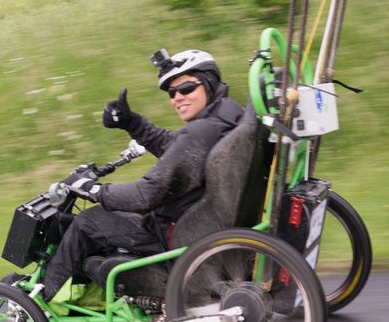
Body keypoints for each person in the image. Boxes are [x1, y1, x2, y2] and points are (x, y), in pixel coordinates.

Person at [43, 49, 244, 301]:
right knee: (107, 221)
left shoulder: (201, 132)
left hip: (175, 233)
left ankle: (43, 297)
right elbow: (178, 149)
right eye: (172, 93)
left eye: (187, 89)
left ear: (209, 82)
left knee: (87, 222)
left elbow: (146, 194)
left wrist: (93, 189)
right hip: (207, 225)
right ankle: (87, 289)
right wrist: (132, 122)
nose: (177, 98)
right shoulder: (228, 117)